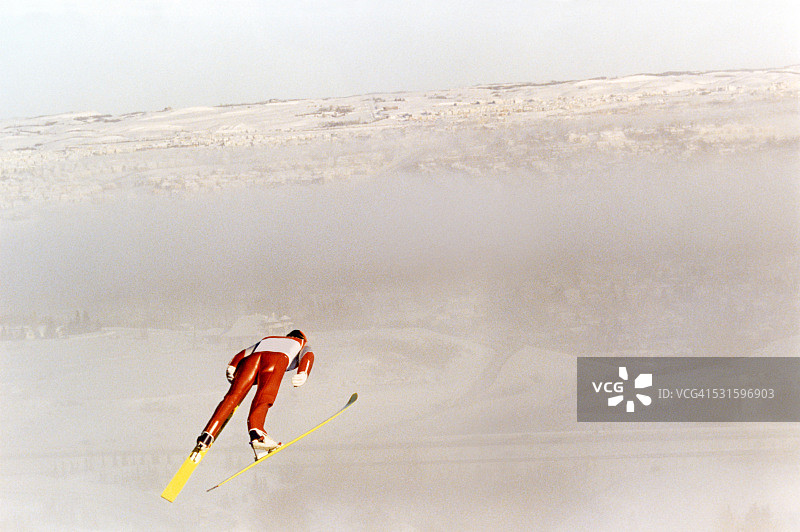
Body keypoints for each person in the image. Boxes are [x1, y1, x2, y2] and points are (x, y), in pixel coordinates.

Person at [196, 329, 315, 459]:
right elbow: (308, 355)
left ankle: (207, 434)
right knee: (264, 395)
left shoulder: (269, 339)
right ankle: (257, 433)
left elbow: (244, 353)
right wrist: (304, 372)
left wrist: (232, 366)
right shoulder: (301, 343)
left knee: (232, 396)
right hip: (277, 359)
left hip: (252, 359)